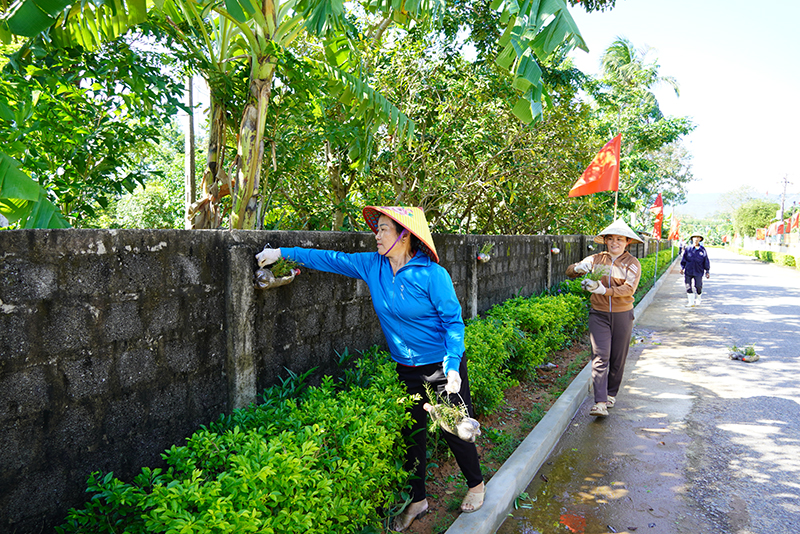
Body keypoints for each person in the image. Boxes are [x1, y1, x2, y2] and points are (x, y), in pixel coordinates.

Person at [255, 206, 484, 532]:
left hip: (441, 365)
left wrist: (452, 368)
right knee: (413, 434)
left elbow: (453, 324)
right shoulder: (373, 265)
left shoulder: (433, 275)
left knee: (454, 428)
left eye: (384, 229)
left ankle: (476, 485)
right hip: (407, 368)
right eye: (376, 229)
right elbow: (331, 259)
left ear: (405, 236)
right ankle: (417, 500)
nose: (376, 235)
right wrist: (281, 253)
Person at [566, 219, 643, 417]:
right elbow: (569, 271)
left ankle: (610, 394)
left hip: (622, 315)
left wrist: (604, 290)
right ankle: (599, 403)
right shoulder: (597, 259)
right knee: (601, 356)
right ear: (606, 241)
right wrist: (578, 268)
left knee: (618, 358)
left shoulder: (632, 264)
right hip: (598, 314)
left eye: (619, 239)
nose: (614, 243)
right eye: (611, 239)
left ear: (627, 242)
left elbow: (629, 288)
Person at [680, 234, 710, 307]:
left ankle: (698, 297)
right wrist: (682, 268)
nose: (696, 239)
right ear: (692, 239)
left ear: (700, 239)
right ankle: (691, 302)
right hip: (689, 270)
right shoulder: (688, 249)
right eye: (694, 237)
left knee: (698, 286)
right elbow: (684, 259)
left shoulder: (702, 250)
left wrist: (707, 271)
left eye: (698, 237)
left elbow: (706, 261)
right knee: (688, 286)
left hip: (699, 271)